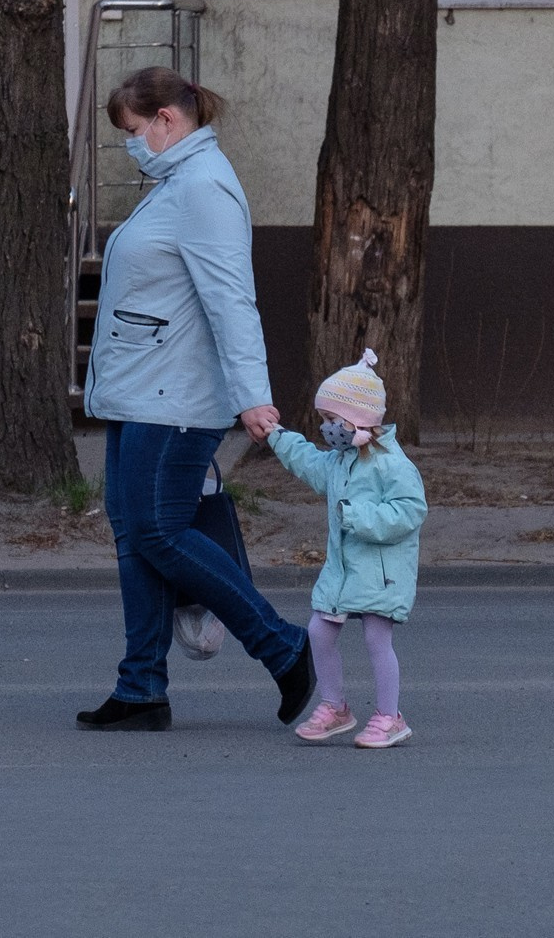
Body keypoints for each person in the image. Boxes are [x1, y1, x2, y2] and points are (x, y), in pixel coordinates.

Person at [75, 66, 314, 732]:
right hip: (141, 391)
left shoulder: (205, 188)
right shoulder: (177, 184)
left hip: (175, 397)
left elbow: (231, 300)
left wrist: (253, 396)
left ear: (166, 120)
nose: (130, 144)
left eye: (132, 130)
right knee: (136, 535)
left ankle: (283, 647)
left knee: (158, 531)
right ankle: (141, 689)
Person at [257, 349, 427, 749]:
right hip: (343, 570)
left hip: (381, 573)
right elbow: (308, 462)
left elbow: (410, 510)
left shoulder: (391, 464)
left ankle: (390, 717)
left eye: (332, 419)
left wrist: (356, 516)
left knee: (376, 640)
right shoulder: (340, 460)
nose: (326, 428)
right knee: (320, 631)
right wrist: (277, 436)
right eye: (324, 419)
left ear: (359, 418)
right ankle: (335, 707)